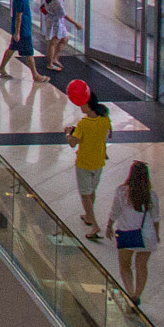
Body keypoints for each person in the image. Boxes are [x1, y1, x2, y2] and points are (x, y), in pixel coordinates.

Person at [106, 161, 160, 302]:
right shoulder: (151, 196)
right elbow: (156, 218)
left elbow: (115, 211)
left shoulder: (122, 192)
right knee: (141, 266)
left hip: (126, 233)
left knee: (125, 265)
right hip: (146, 235)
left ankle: (130, 293)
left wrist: (109, 225)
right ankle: (137, 294)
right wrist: (157, 234)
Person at [65, 99, 112, 241]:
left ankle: (95, 225)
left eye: (82, 104)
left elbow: (73, 143)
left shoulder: (83, 123)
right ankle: (88, 216)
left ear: (88, 106)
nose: (80, 106)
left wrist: (68, 133)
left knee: (85, 194)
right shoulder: (105, 119)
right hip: (98, 162)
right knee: (91, 191)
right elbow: (104, 136)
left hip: (84, 163)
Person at [0, 0, 47, 84]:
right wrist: (17, 32)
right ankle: (36, 75)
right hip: (23, 30)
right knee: (29, 52)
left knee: (12, 48)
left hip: (21, 29)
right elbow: (19, 15)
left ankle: (2, 68)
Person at [41, 0, 76, 71]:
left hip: (55, 20)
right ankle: (50, 63)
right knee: (54, 42)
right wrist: (75, 23)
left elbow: (62, 5)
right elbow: (63, 13)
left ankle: (54, 58)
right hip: (56, 22)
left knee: (65, 38)